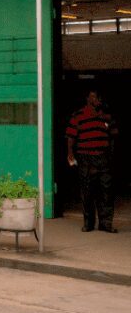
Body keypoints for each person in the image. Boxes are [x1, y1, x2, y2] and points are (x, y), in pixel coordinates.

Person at [66, 91, 118, 233]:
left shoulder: (106, 115)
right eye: (94, 97)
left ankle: (105, 224)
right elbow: (71, 136)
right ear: (88, 99)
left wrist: (111, 157)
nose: (98, 99)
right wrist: (70, 152)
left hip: (103, 158)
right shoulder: (78, 115)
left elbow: (114, 136)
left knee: (106, 192)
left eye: (99, 97)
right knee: (87, 192)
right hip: (86, 159)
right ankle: (88, 223)